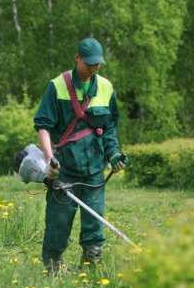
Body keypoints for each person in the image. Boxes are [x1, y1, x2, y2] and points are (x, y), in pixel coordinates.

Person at [33, 37, 127, 273]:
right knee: (58, 221)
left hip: (95, 168)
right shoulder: (57, 86)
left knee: (94, 221)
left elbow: (109, 128)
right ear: (77, 59)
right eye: (89, 64)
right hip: (64, 168)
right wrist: (48, 158)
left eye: (97, 65)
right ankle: (53, 266)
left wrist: (114, 153)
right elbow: (42, 125)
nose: (93, 69)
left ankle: (91, 267)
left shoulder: (105, 87)